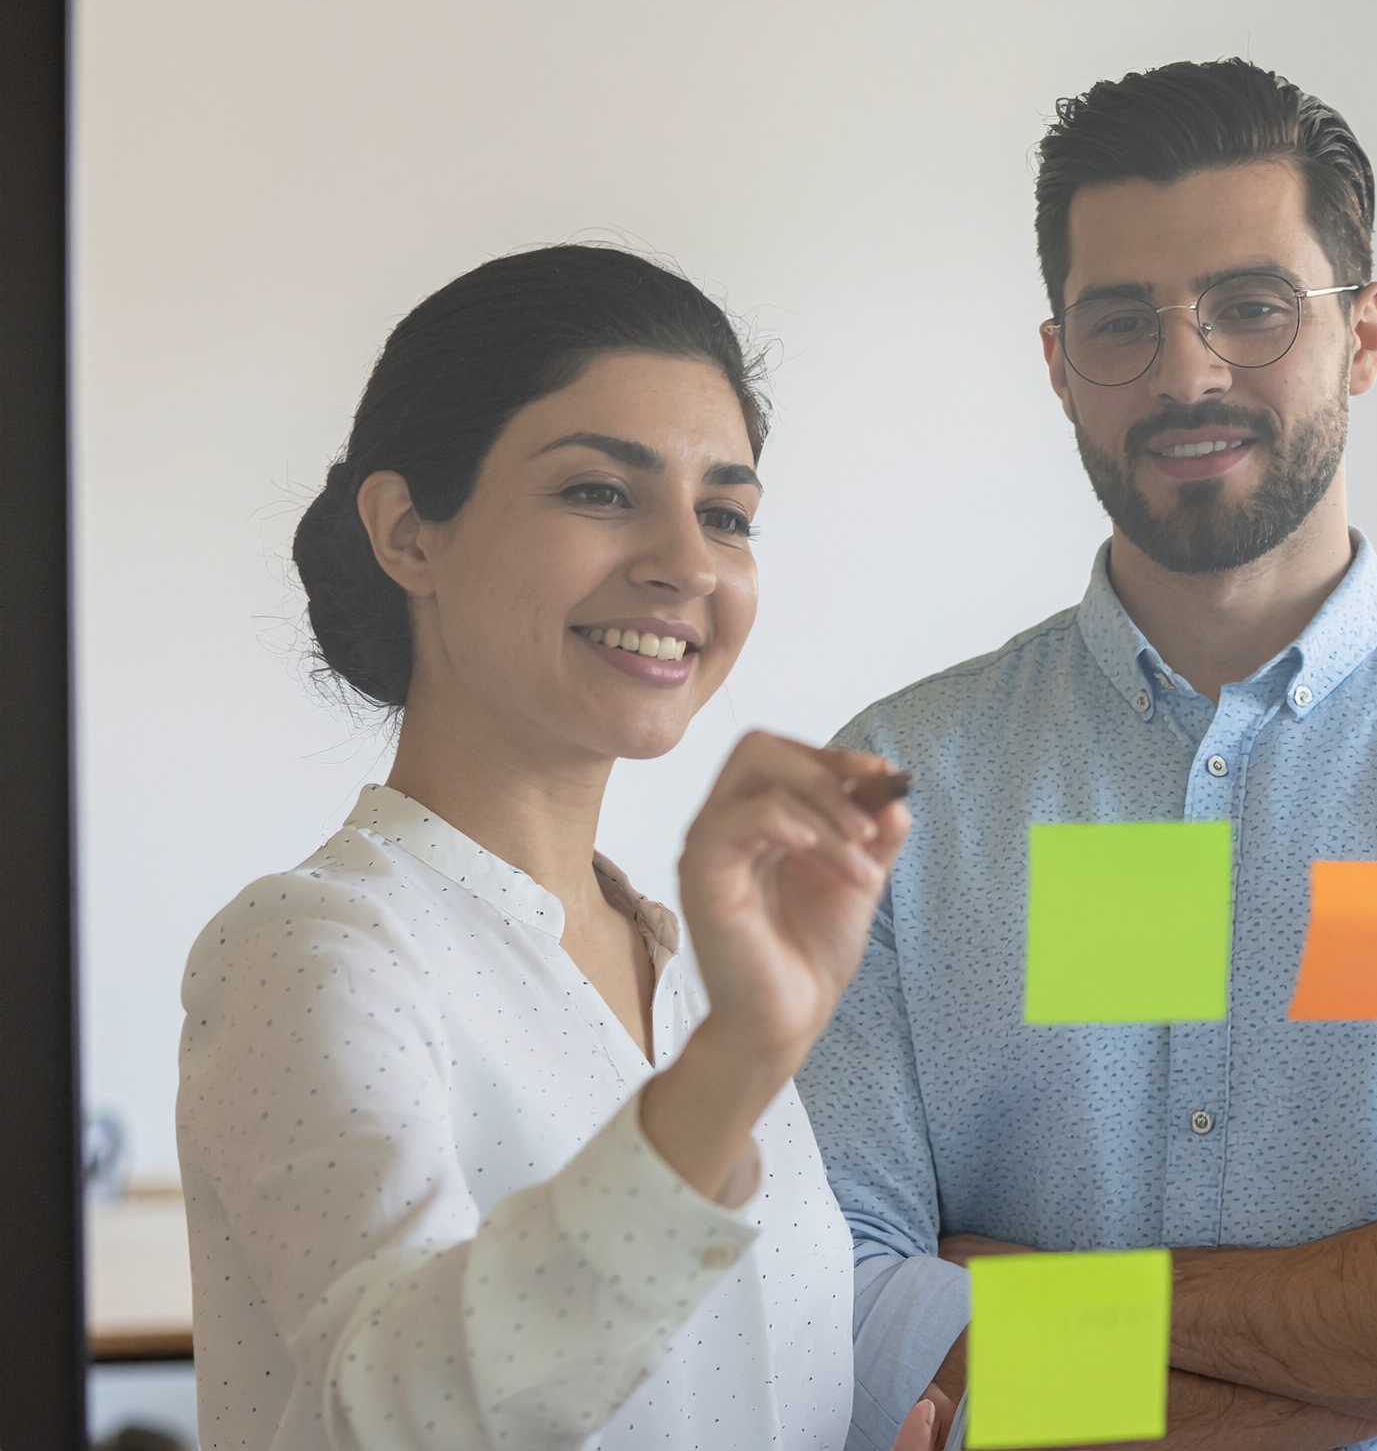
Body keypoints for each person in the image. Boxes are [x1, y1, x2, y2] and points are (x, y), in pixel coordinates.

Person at [798, 59, 1377, 1451]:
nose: (1189, 373)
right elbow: (854, 1317)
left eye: (1252, 307)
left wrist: (1046, 1317)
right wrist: (1358, 1368)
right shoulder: (892, 787)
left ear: (1366, 334)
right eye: (1123, 321)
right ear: (1058, 366)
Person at [177, 245, 941, 1451]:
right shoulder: (315, 950)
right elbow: (403, 1415)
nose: (687, 563)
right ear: (408, 532)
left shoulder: (698, 975)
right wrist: (737, 1064)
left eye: (726, 514)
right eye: (599, 491)